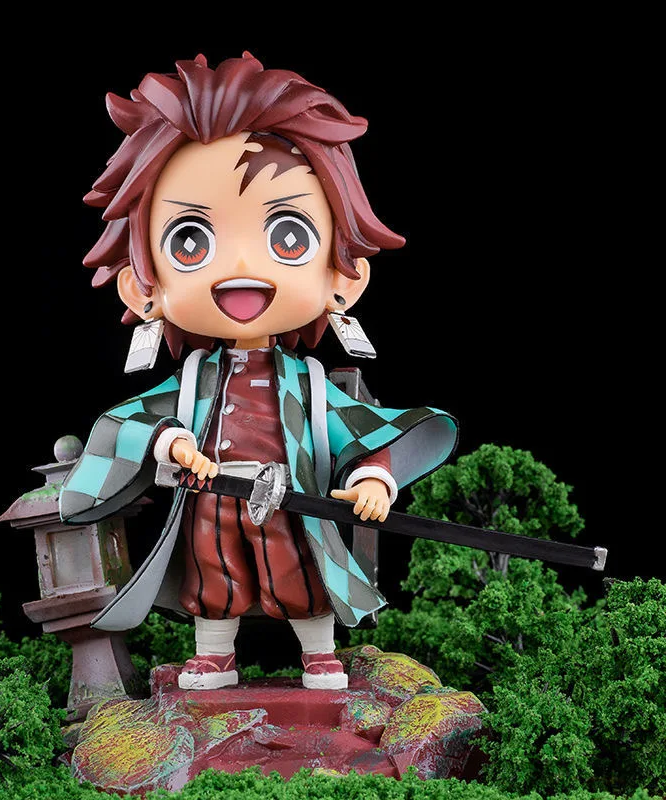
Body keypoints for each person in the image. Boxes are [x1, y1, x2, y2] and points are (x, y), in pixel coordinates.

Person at [59, 53, 457, 690]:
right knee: (214, 571)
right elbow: (126, 422)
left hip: (292, 494)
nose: (241, 266)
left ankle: (319, 652)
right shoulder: (193, 380)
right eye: (191, 242)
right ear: (142, 287)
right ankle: (215, 653)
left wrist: (373, 477)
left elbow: (364, 431)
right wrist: (170, 440)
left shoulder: (309, 384)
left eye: (288, 238)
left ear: (344, 278)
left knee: (300, 569)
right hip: (213, 493)